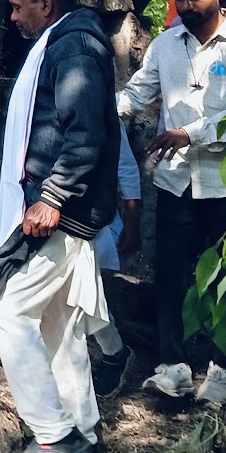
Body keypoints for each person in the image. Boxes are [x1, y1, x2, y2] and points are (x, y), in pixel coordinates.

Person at [0, 0, 121, 453]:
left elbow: (85, 134)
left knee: (9, 311)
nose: (12, 17)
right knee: (58, 322)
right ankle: (83, 430)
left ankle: (55, 435)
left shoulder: (73, 47)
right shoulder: (66, 42)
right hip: (64, 206)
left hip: (60, 209)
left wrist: (52, 196)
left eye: (18, 7)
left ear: (46, 4)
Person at [118, 0, 226, 372]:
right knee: (171, 274)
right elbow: (135, 95)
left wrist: (188, 134)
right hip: (177, 180)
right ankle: (171, 366)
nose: (186, 5)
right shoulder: (165, 46)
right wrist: (94, 110)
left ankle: (222, 370)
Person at [89, 127, 142, 394]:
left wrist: (132, 223)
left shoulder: (102, 109)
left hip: (92, 220)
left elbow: (126, 167)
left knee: (83, 291)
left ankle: (114, 353)